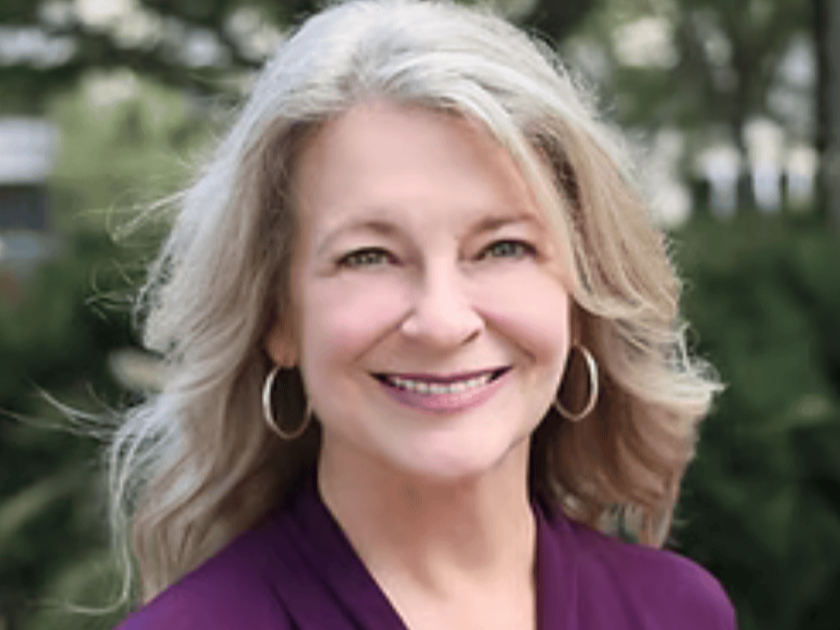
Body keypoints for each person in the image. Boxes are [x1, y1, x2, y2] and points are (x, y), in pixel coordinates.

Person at [113, 1, 735, 628]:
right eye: (369, 256)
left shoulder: (678, 611)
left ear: (579, 296)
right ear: (279, 317)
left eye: (503, 248)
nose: (443, 322)